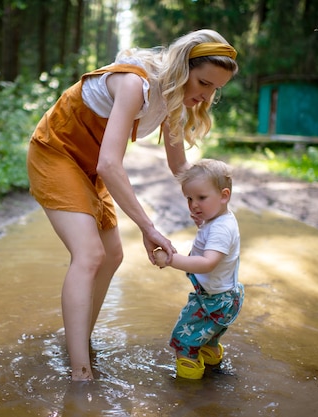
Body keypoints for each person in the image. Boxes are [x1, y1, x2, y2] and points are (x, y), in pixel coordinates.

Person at [26, 29, 239, 381]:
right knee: (90, 254)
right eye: (203, 82)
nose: (205, 96)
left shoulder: (174, 99)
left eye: (215, 89)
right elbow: (111, 164)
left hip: (90, 165)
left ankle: (79, 343)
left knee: (112, 255)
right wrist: (148, 226)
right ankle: (81, 375)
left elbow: (180, 168)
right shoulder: (134, 83)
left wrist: (219, 202)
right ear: (183, 67)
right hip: (56, 153)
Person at [153, 159, 244, 380]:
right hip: (223, 298)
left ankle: (189, 388)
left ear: (224, 196)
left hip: (214, 301)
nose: (194, 204)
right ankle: (213, 364)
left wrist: (171, 260)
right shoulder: (218, 220)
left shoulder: (221, 228)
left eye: (201, 198)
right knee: (207, 337)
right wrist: (201, 225)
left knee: (183, 341)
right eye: (189, 198)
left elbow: (207, 263)